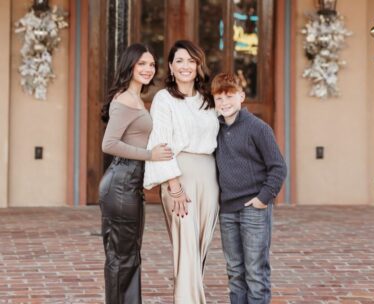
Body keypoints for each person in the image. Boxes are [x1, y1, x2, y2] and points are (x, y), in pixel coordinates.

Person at [143, 40, 219, 304]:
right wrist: (173, 186)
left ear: (199, 65)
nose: (185, 66)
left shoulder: (209, 99)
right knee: (185, 247)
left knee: (199, 248)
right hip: (179, 176)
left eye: (191, 60)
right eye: (179, 61)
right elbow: (160, 143)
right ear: (171, 68)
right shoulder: (164, 99)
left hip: (209, 178)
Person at [99, 43, 173, 304]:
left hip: (129, 184)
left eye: (152, 64)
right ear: (129, 66)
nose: (148, 69)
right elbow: (108, 144)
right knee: (121, 257)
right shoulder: (124, 100)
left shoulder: (136, 99)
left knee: (129, 254)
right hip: (121, 183)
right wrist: (150, 155)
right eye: (141, 64)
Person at [212, 73, 287, 304]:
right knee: (235, 271)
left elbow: (278, 167)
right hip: (227, 210)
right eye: (219, 98)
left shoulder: (258, 128)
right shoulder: (215, 129)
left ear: (242, 96)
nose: (224, 102)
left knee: (255, 271)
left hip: (254, 208)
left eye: (229, 96)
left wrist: (263, 198)